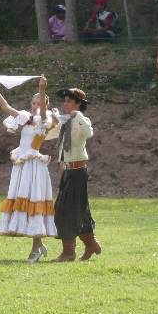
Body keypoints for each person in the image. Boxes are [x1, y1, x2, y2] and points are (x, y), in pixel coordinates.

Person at [0, 76, 59, 262]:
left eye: (39, 103)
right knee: (25, 203)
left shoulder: (46, 118)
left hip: (34, 165)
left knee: (34, 201)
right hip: (22, 164)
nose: (36, 106)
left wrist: (42, 89)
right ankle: (37, 245)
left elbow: (43, 114)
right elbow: (6, 108)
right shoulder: (25, 117)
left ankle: (36, 248)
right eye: (34, 103)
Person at [52, 87, 101, 262]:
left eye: (69, 101)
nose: (65, 104)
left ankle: (69, 252)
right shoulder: (65, 122)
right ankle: (91, 244)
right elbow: (50, 134)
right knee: (81, 210)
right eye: (64, 101)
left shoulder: (82, 120)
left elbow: (89, 133)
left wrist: (77, 115)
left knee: (65, 210)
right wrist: (54, 117)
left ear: (78, 104)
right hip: (67, 171)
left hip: (77, 171)